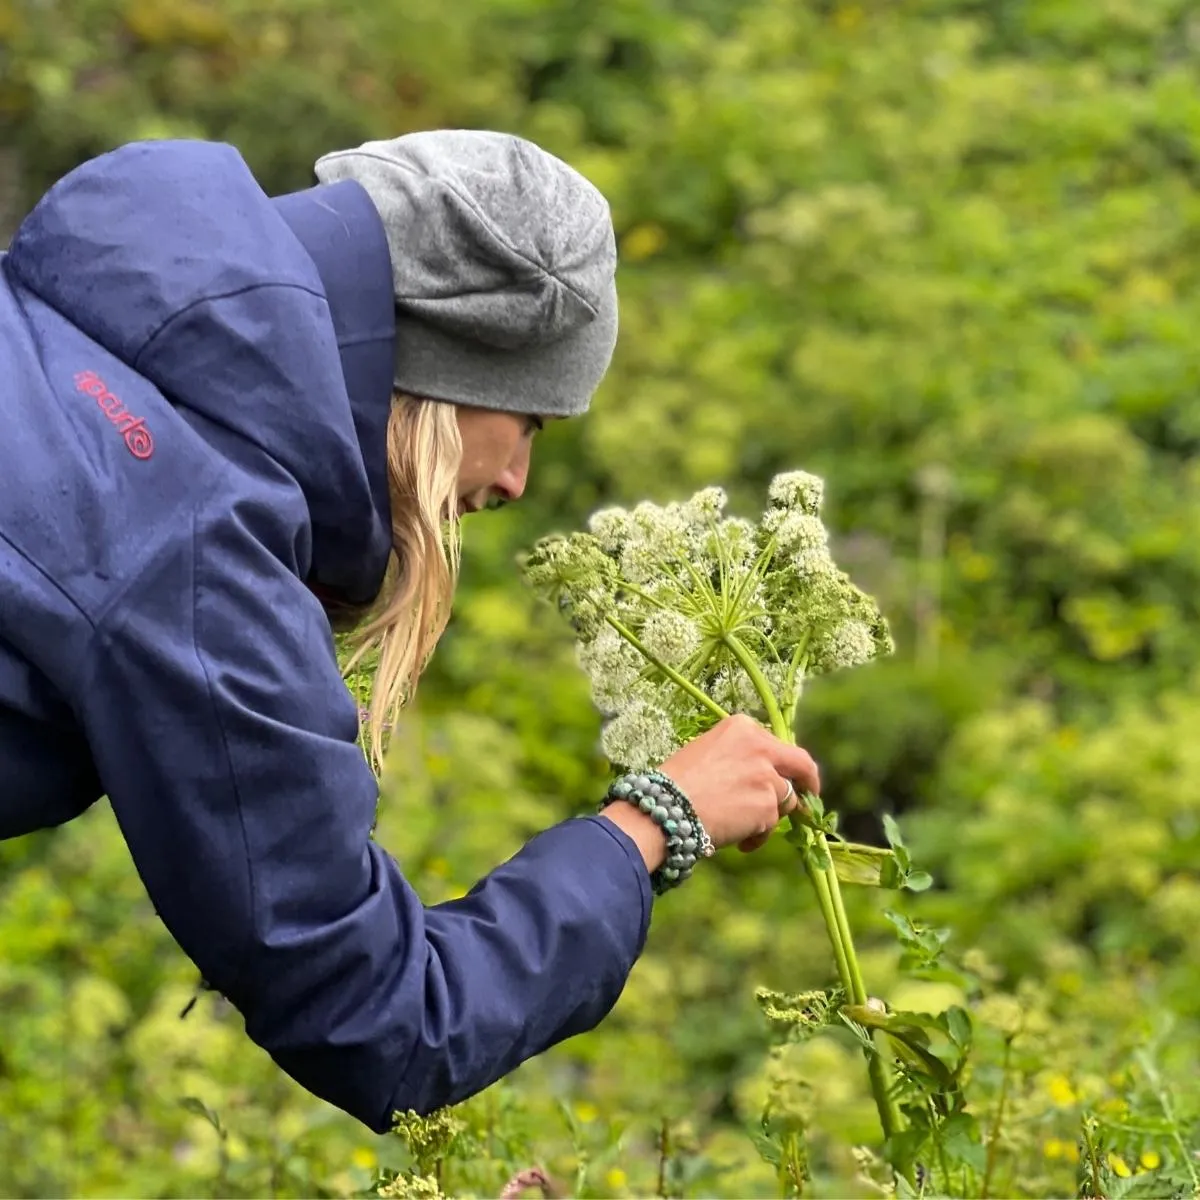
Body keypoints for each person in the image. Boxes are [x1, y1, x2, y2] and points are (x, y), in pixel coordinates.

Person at [0, 129, 817, 1132]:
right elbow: (384, 1020)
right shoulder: (199, 551)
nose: (514, 483)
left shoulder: (51, 303)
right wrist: (654, 824)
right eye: (533, 422)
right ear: (450, 366)